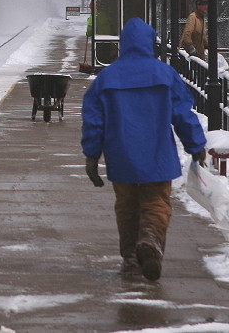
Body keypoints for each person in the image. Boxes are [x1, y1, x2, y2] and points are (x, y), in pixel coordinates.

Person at [81, 18, 207, 281]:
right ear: (150, 43)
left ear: (124, 44)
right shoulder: (165, 74)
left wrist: (92, 156)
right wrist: (196, 146)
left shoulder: (107, 77)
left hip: (121, 155)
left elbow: (94, 121)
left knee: (126, 206)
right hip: (157, 155)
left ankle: (130, 257)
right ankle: (150, 241)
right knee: (157, 202)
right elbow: (183, 114)